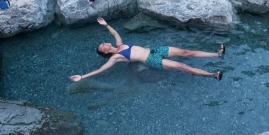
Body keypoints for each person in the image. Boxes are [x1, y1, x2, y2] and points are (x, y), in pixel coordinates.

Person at [69, 17, 225, 82]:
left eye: (103, 42)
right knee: (182, 66)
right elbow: (101, 69)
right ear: (104, 52)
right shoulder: (115, 57)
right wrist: (82, 77)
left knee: (186, 52)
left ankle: (216, 55)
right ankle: (212, 75)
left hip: (155, 50)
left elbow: (115, 33)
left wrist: (106, 25)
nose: (104, 43)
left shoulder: (119, 45)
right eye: (102, 46)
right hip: (151, 59)